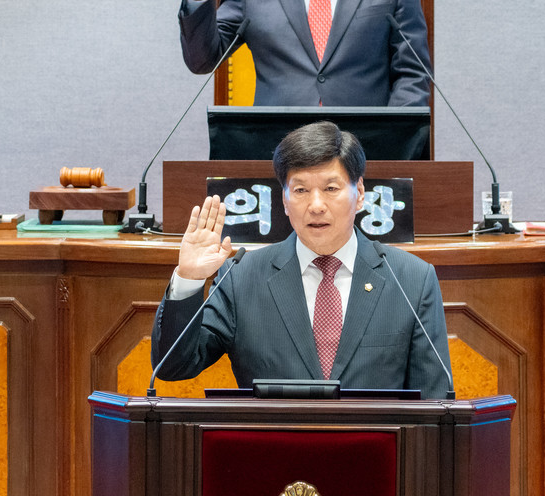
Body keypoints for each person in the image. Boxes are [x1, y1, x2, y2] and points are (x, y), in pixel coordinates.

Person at [151, 121, 451, 398]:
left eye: (331, 188)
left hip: (377, 440)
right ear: (284, 199)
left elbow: (435, 400)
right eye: (301, 190)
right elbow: (173, 367)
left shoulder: (411, 279)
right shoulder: (240, 277)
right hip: (274, 439)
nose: (316, 205)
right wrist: (188, 279)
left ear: (359, 193)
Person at [177, 0, 432, 107]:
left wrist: (395, 140)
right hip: (275, 153)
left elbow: (413, 72)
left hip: (368, 153)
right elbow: (202, 60)